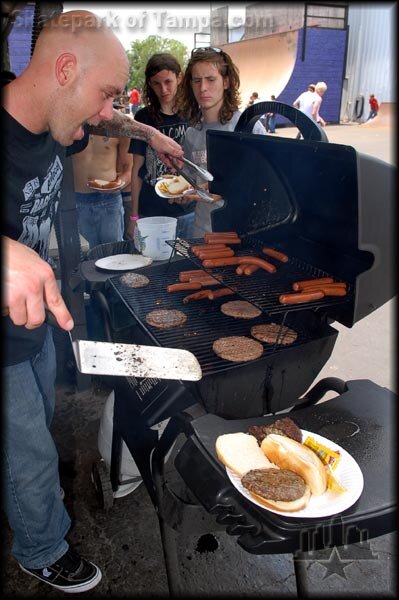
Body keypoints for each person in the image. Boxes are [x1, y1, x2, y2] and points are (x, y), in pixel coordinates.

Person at [2, 10, 183, 594]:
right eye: (105, 94)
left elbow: (109, 126)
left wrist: (151, 134)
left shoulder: (65, 118)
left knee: (40, 423)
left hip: (35, 317)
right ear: (63, 69)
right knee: (26, 442)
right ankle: (40, 548)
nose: (106, 111)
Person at [173, 47, 266, 238]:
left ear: (226, 81)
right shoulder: (191, 134)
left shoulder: (248, 128)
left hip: (241, 233)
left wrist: (227, 191)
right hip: (202, 233)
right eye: (197, 81)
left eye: (210, 79)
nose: (203, 88)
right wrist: (182, 193)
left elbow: (266, 186)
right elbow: (191, 179)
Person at [127, 53, 194, 241]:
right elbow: (137, 169)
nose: (163, 89)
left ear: (179, 78)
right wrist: (134, 216)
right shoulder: (143, 118)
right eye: (156, 83)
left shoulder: (192, 113)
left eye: (168, 82)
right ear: (149, 84)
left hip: (188, 211)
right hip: (152, 212)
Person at [72, 130, 133, 249]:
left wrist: (118, 184)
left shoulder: (118, 129)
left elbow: (129, 169)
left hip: (110, 200)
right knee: (85, 253)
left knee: (113, 252)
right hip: (77, 199)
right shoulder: (73, 124)